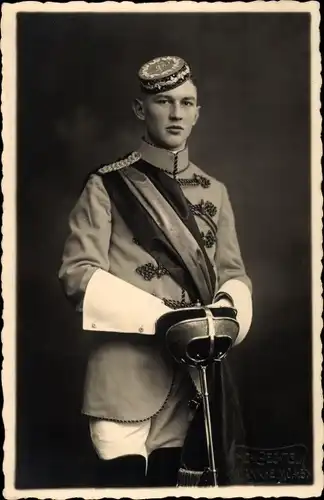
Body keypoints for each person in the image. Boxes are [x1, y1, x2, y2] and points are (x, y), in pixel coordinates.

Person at [58, 55, 253, 487]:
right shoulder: (107, 185)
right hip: (124, 377)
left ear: (198, 111)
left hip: (194, 384)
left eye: (187, 103)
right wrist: (163, 318)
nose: (177, 113)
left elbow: (233, 276)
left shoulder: (214, 192)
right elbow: (78, 274)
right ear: (139, 109)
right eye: (165, 101)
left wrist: (223, 313)